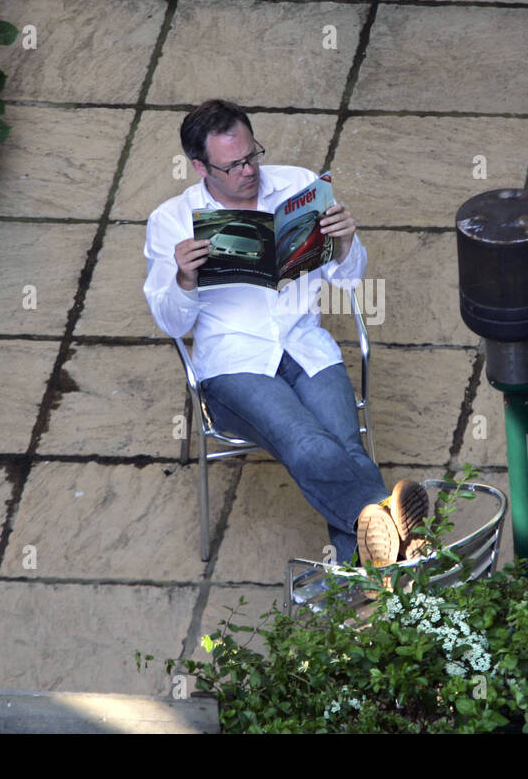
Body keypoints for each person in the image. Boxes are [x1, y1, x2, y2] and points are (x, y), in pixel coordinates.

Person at [142, 99, 429, 566]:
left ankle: (375, 567)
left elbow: (349, 280)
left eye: (252, 155)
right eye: (232, 165)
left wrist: (344, 242)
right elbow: (172, 324)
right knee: (310, 445)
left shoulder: (297, 185)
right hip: (234, 365)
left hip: (305, 344)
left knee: (344, 446)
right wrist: (184, 279)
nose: (249, 171)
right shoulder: (171, 220)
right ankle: (402, 540)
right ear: (200, 167)